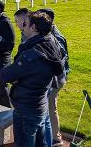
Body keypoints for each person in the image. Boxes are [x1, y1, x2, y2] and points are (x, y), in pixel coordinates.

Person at [0, 11, 64, 147]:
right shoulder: (51, 43)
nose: (23, 27)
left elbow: (5, 75)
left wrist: (17, 77)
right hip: (39, 105)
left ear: (33, 27)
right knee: (41, 143)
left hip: (26, 107)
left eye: (25, 24)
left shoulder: (32, 54)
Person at [38, 9, 69, 147]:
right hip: (51, 78)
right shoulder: (47, 34)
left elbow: (59, 62)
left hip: (55, 80)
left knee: (50, 107)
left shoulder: (56, 37)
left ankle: (56, 139)